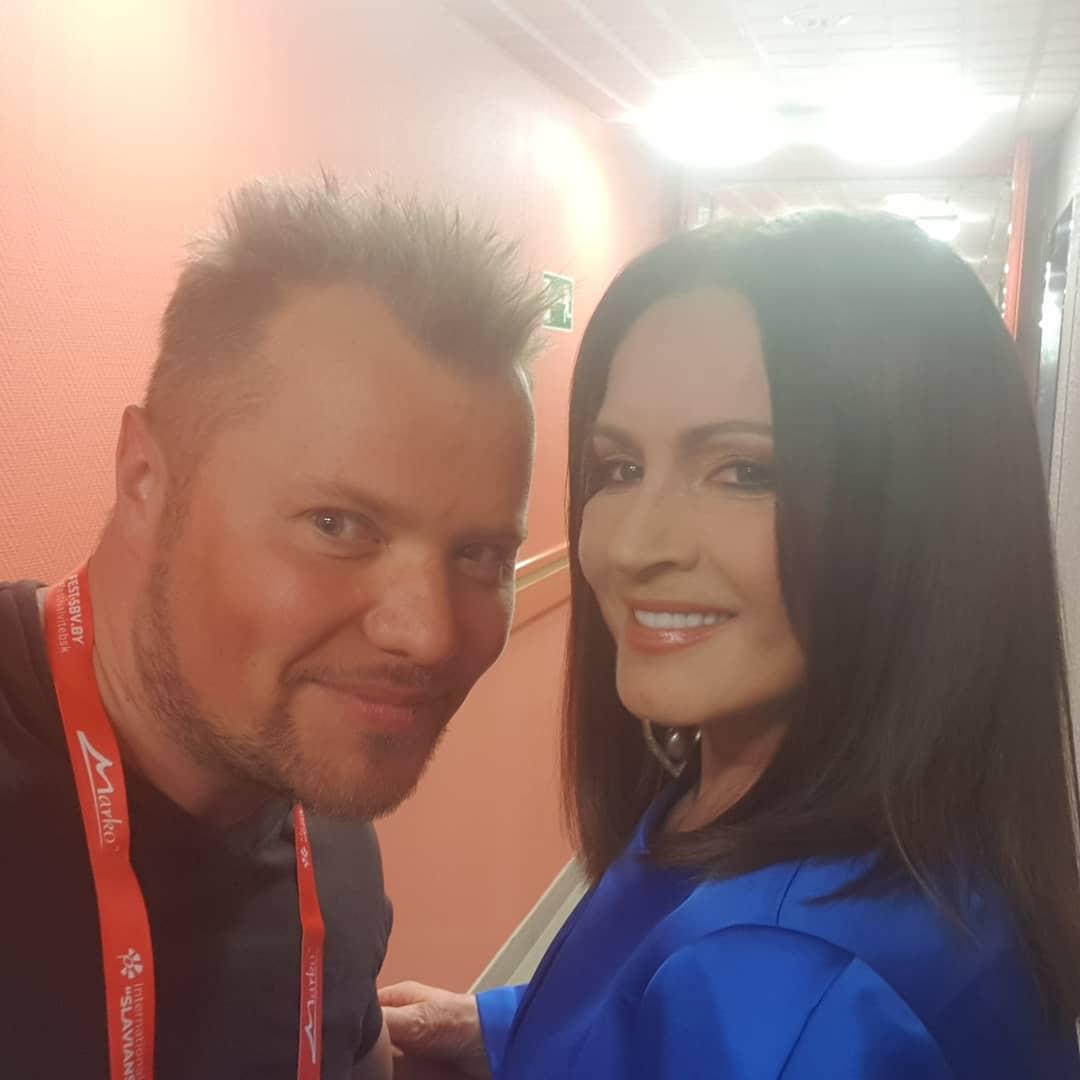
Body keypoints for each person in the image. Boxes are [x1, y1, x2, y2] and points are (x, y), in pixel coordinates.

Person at [381, 213, 1080, 1078]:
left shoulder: (786, 977)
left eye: (745, 472)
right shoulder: (755, 787)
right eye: (621, 468)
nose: (633, 546)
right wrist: (499, 1028)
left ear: (917, 525)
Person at [0, 176, 547, 1079]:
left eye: (481, 554)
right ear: (144, 477)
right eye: (338, 525)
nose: (430, 636)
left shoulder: (327, 824)